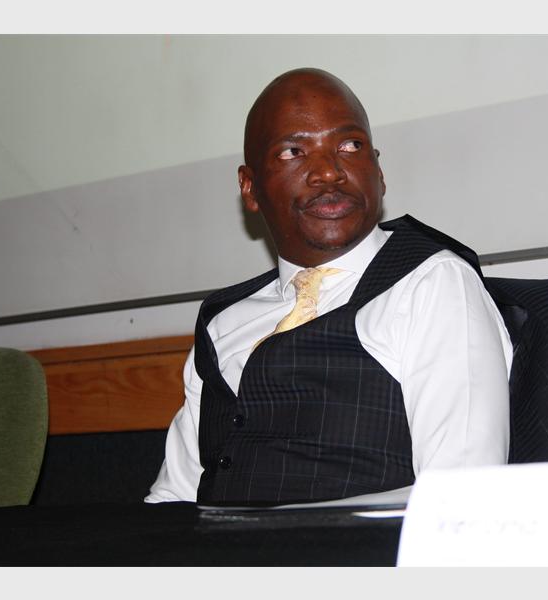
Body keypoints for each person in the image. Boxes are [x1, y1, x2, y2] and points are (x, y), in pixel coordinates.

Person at [146, 68, 512, 506]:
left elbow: (461, 496)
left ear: (379, 171)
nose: (328, 172)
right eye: (293, 152)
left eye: (349, 146)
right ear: (250, 188)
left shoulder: (432, 285)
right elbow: (174, 497)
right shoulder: (223, 323)